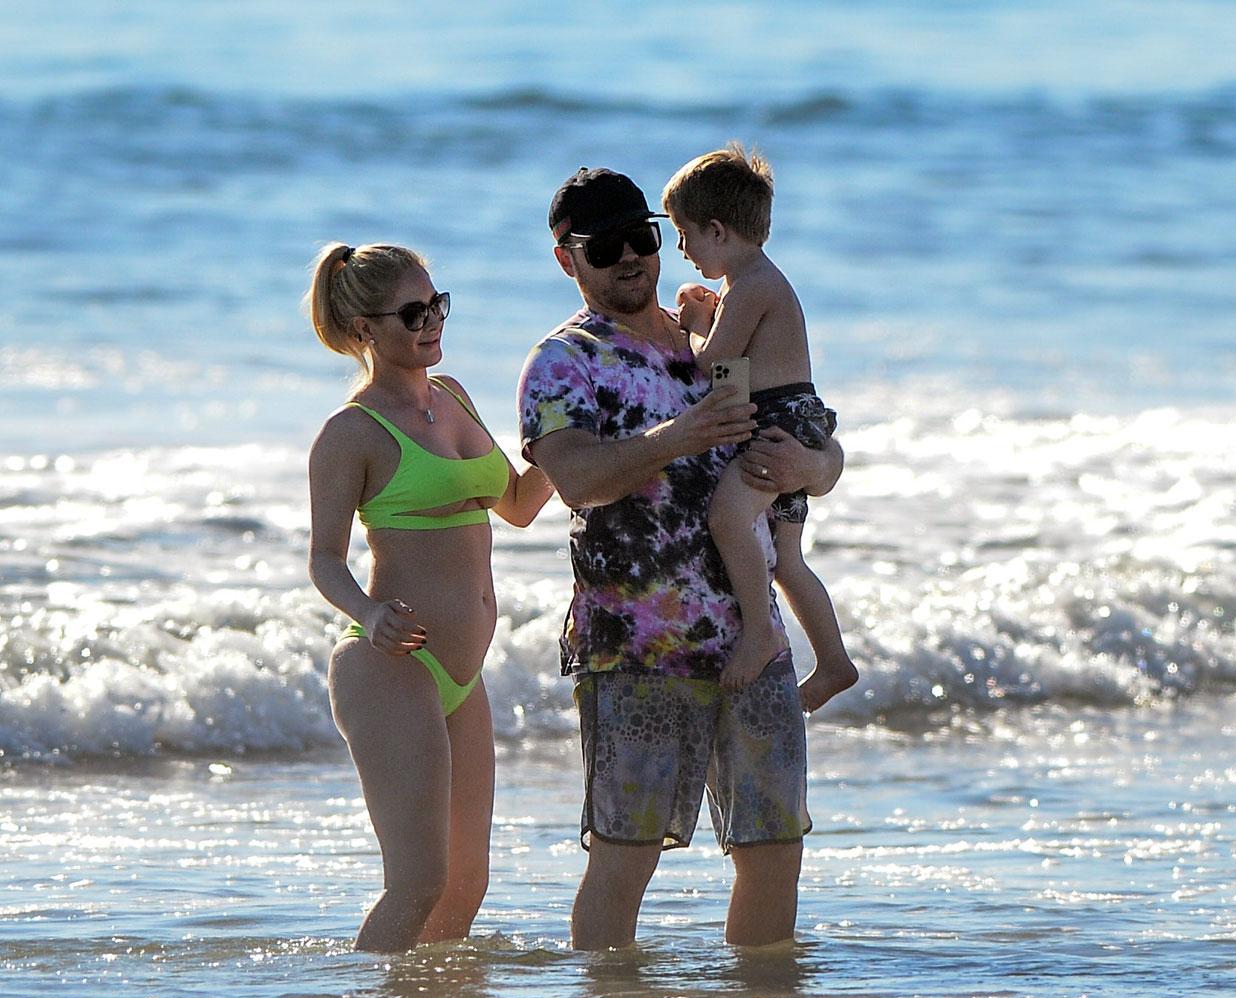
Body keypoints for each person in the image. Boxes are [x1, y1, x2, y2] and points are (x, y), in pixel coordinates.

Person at [518, 168, 845, 949]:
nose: (630, 257)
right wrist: (683, 436)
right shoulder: (565, 362)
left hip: (751, 641)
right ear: (569, 260)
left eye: (644, 237)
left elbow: (807, 440)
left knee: (774, 852)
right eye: (606, 247)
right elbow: (578, 480)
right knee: (624, 857)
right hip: (638, 649)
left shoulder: (713, 334)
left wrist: (818, 467)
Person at [304, 241, 553, 952]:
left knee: (465, 884)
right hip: (391, 667)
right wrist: (370, 612)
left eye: (436, 304)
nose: (430, 322)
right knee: (416, 883)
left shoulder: (455, 397)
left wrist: (584, 443)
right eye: (412, 313)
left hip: (462, 673)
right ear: (363, 331)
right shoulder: (350, 433)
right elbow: (324, 560)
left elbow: (518, 502)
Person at [662, 143, 859, 706]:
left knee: (728, 518)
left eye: (685, 234)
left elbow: (710, 361)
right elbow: (733, 378)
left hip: (779, 427)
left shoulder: (751, 287)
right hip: (791, 422)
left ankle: (759, 632)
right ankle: (834, 661)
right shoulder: (750, 284)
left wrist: (696, 321)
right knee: (786, 559)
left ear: (718, 232)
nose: (682, 249)